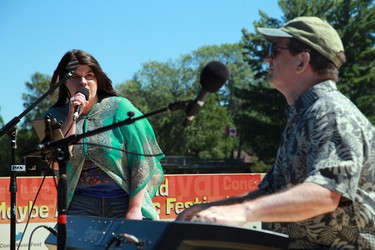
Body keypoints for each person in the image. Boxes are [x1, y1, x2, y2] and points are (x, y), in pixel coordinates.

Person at [176, 16, 375, 249]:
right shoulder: (303, 115)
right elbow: (269, 192)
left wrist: (243, 212)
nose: (267, 57)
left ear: (302, 61)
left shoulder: (331, 112)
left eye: (275, 49)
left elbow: (325, 194)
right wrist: (213, 209)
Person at [45, 49, 164, 220]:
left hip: (123, 201)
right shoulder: (54, 117)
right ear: (64, 82)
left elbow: (143, 158)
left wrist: (134, 208)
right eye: (74, 76)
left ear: (98, 79)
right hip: (79, 204)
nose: (83, 82)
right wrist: (72, 114)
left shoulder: (120, 108)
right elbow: (55, 163)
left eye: (90, 75)